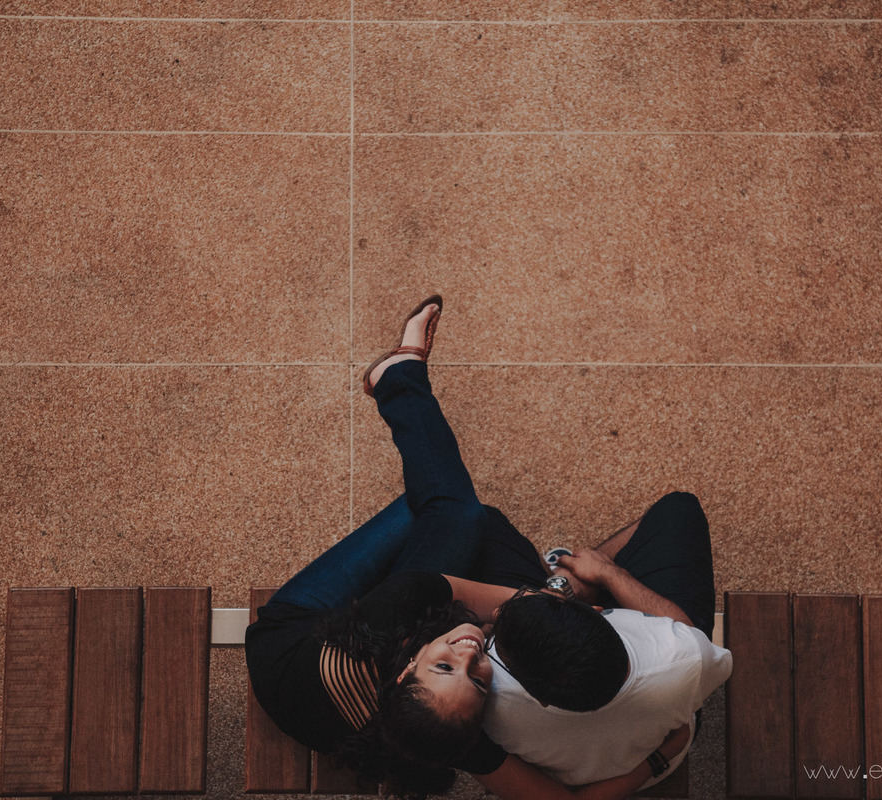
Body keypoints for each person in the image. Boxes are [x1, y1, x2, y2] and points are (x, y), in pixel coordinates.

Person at [246, 296, 689, 800]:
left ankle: (398, 376)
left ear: (406, 671)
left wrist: (562, 596)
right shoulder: (448, 725)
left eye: (443, 666)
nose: (469, 654)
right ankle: (396, 374)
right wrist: (652, 763)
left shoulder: (391, 614)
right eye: (478, 681)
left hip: (289, 642)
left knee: (454, 510)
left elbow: (517, 600)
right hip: (315, 705)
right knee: (447, 504)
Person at [476, 493, 733, 793]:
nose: (496, 612)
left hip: (564, 776)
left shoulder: (484, 699)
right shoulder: (685, 659)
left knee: (482, 522)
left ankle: (560, 578)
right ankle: (582, 572)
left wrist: (559, 589)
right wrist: (610, 574)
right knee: (679, 507)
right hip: (654, 759)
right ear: (600, 612)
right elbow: (688, 635)